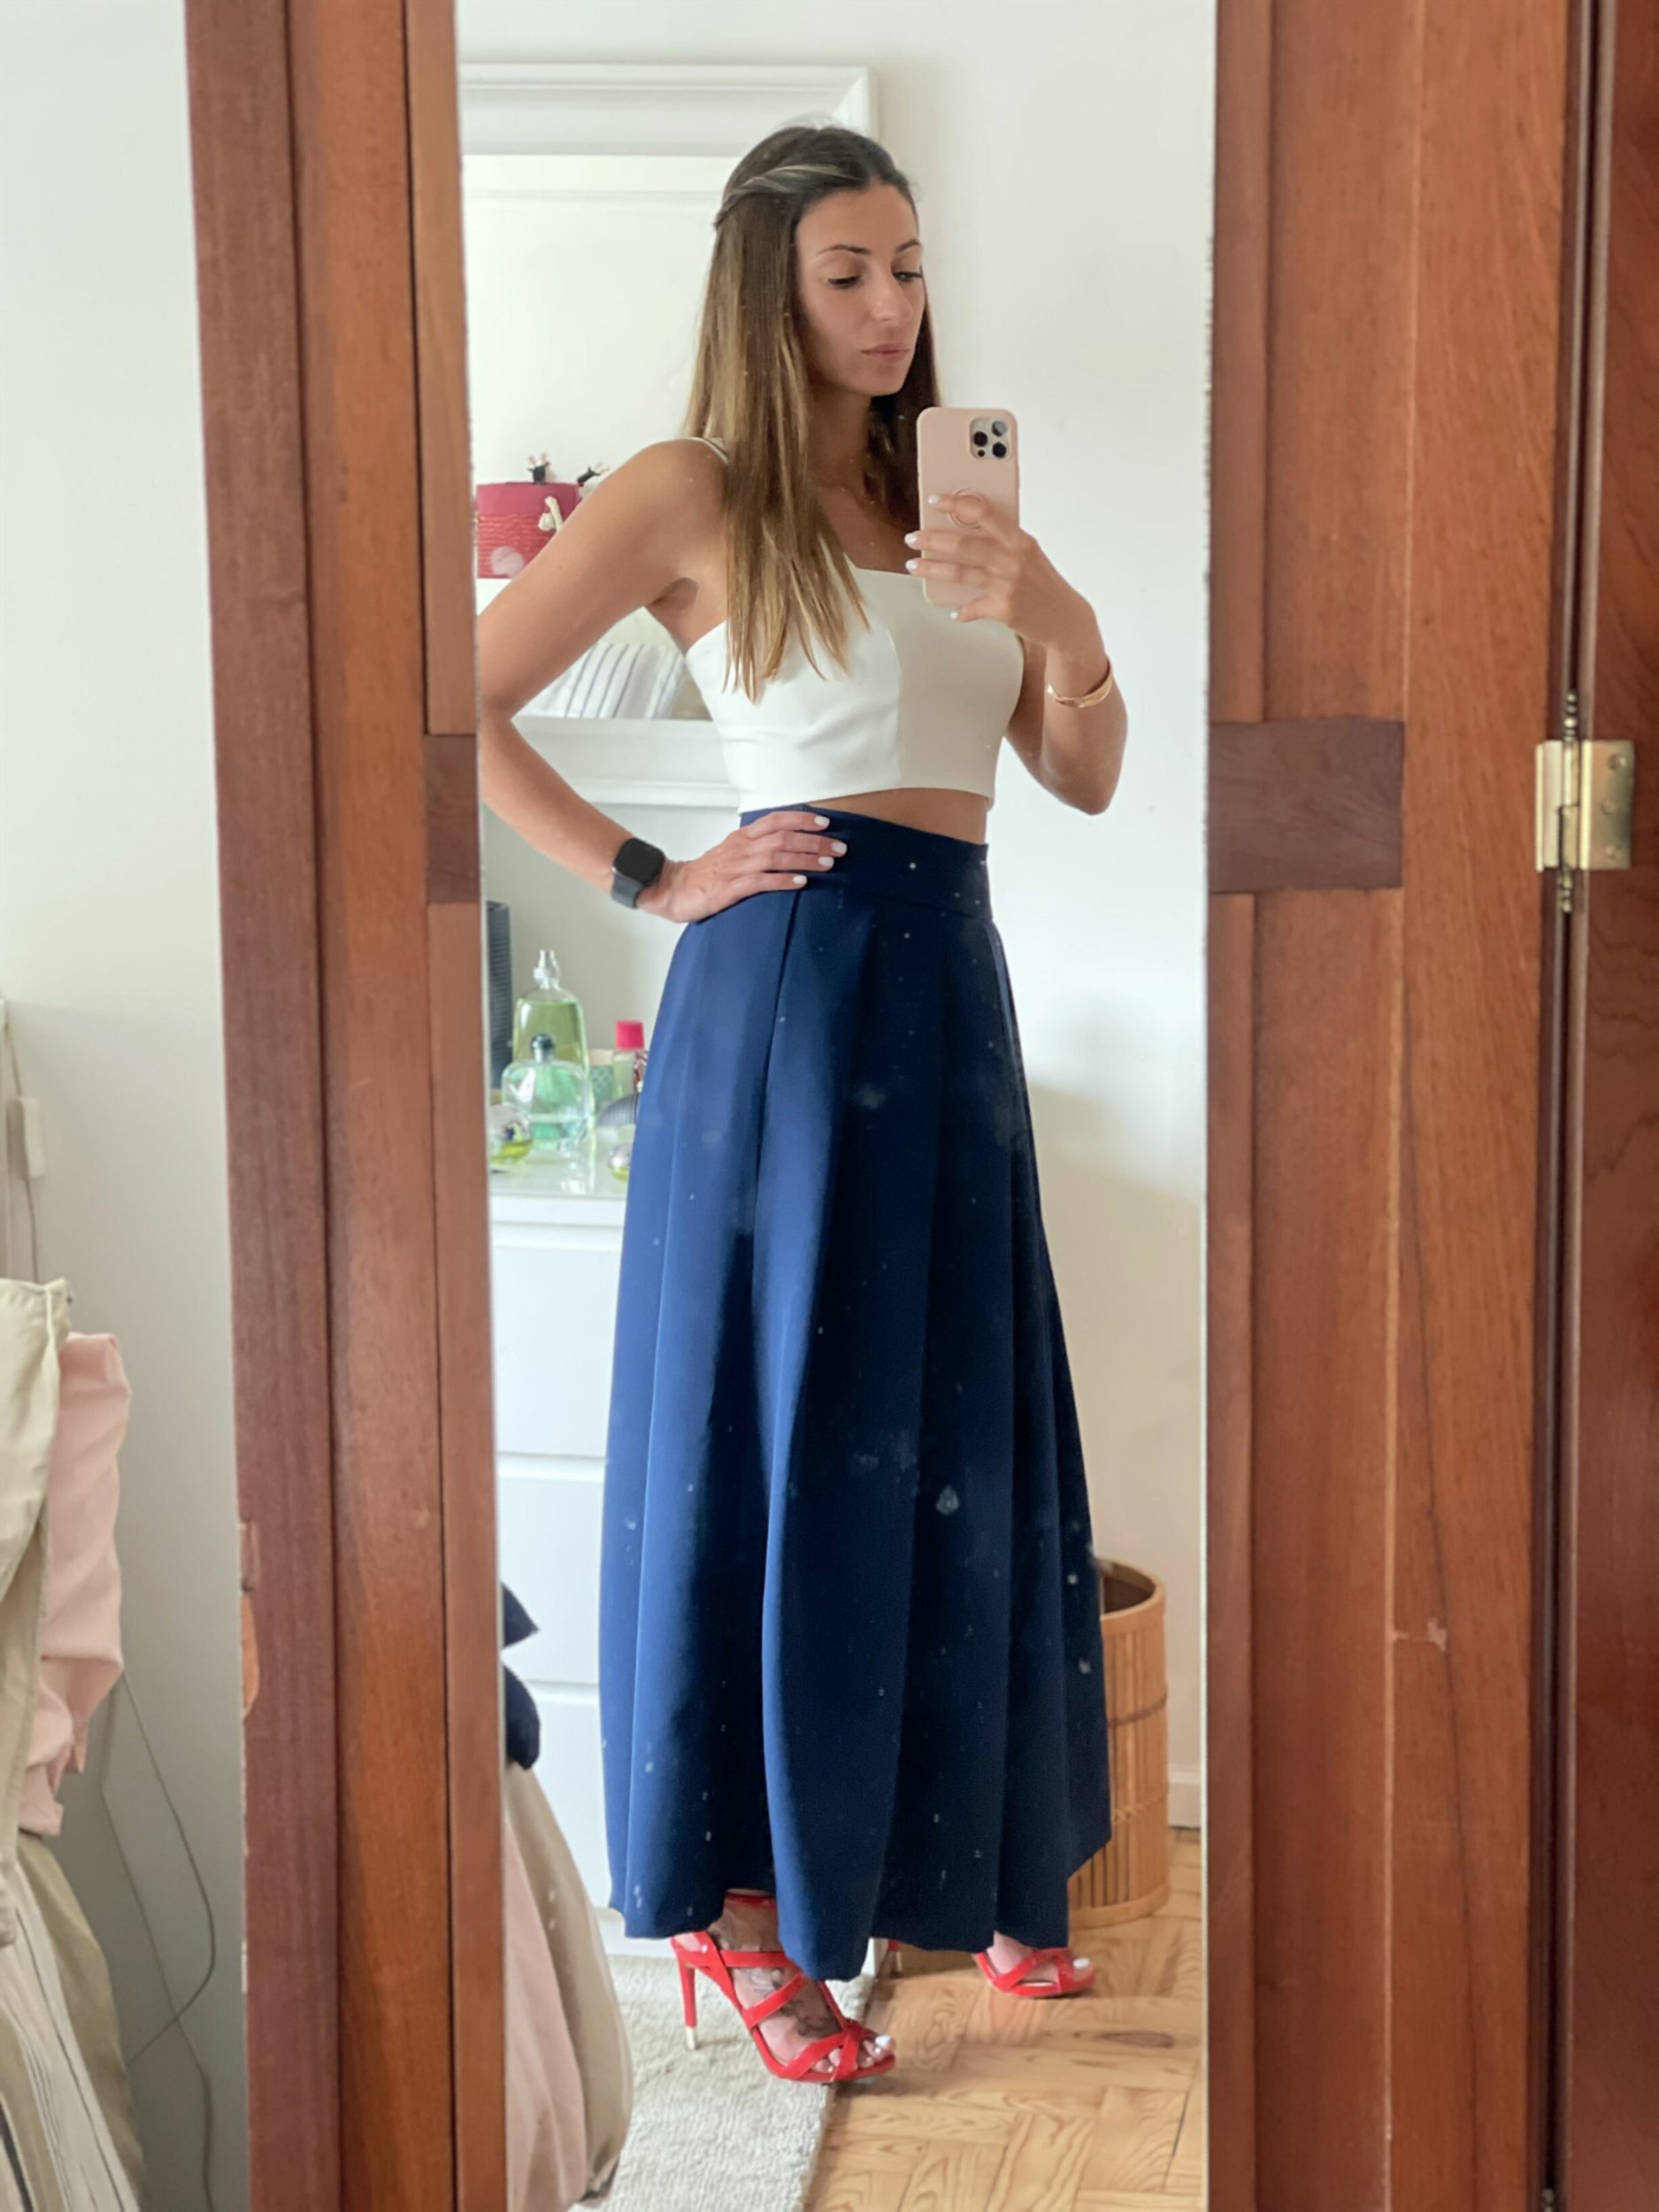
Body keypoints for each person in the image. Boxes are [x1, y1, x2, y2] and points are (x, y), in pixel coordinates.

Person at [477, 121, 1126, 2085]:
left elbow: (1081, 770)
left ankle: (955, 1855)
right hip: (783, 993)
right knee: (779, 1440)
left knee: (954, 1427)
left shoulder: (948, 502)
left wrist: (1057, 616)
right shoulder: (693, 489)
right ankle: (745, 1917)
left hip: (950, 981)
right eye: (846, 272)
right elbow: (447, 702)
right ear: (767, 288)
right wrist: (649, 875)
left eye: (906, 267)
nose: (889, 306)